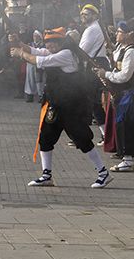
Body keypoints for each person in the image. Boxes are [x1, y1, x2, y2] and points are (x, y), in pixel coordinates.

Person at [12, 28, 111, 189]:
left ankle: (103, 172)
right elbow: (37, 51)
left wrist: (20, 53)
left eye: (52, 43)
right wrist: (19, 43)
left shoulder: (66, 55)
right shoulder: (55, 52)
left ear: (60, 43)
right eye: (48, 43)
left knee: (82, 139)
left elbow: (39, 60)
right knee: (45, 137)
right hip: (56, 105)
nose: (49, 46)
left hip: (71, 106)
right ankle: (46, 175)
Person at [98, 20, 134, 173]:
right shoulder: (122, 48)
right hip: (123, 94)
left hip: (130, 94)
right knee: (122, 125)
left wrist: (105, 74)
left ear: (129, 34)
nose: (117, 34)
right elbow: (115, 62)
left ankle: (128, 159)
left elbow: (125, 76)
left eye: (120, 32)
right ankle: (126, 157)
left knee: (127, 126)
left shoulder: (132, 51)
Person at [78, 4, 110, 142]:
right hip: (98, 63)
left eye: (87, 14)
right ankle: (106, 134)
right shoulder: (96, 28)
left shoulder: (91, 30)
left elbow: (81, 50)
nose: (83, 16)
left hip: (94, 65)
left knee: (92, 101)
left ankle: (103, 134)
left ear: (95, 16)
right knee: (95, 102)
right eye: (82, 14)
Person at [23, 30, 44, 103]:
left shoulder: (42, 45)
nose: (34, 37)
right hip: (30, 64)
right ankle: (29, 95)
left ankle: (40, 95)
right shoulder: (30, 44)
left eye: (36, 36)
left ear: (39, 37)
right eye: (34, 36)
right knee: (29, 79)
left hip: (38, 63)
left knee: (39, 80)